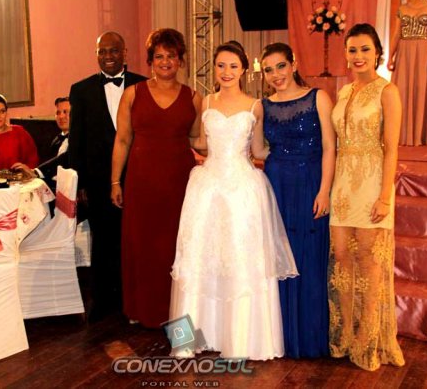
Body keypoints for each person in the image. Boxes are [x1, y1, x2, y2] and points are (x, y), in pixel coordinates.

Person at [170, 42, 298, 360]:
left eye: (233, 66)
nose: (226, 72)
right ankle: (189, 339)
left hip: (242, 191)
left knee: (241, 260)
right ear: (214, 68)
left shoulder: (256, 106)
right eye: (220, 65)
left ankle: (241, 340)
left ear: (243, 70)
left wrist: (293, 154)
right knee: (201, 260)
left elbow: (258, 150)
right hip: (208, 188)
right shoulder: (206, 101)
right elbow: (201, 142)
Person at [110, 28, 201, 328]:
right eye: (159, 56)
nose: (165, 62)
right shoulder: (133, 94)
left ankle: (175, 310)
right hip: (141, 181)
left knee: (175, 245)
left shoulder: (194, 98)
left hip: (180, 182)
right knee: (143, 244)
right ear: (150, 61)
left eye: (171, 56)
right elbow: (122, 140)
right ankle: (142, 308)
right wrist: (115, 181)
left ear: (181, 60)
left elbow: (197, 140)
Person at [329, 23, 405, 371]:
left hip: (373, 184)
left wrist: (385, 196)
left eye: (364, 49)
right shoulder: (344, 92)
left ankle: (367, 338)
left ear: (377, 53)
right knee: (342, 259)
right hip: (343, 185)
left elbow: (392, 148)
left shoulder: (387, 91)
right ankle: (345, 332)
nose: (358, 56)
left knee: (369, 264)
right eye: (352, 50)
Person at [261, 42, 336, 358]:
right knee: (280, 257)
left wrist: (324, 190)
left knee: (308, 258)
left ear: (293, 64)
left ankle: (308, 337)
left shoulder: (318, 97)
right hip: (277, 186)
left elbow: (330, 147)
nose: (275, 74)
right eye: (268, 70)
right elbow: (258, 150)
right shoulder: (263, 105)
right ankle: (281, 338)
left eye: (280, 66)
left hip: (310, 185)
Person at [68, 32, 146, 322]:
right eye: (103, 51)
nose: (108, 56)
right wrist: (79, 183)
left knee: (133, 238)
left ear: (125, 53)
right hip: (98, 178)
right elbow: (76, 140)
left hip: (136, 174)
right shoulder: (81, 90)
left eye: (114, 50)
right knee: (101, 239)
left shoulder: (143, 85)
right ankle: (101, 302)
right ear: (97, 54)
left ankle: (132, 299)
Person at [388, 0, 427, 146]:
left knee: (420, 89)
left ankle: (419, 134)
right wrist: (390, 56)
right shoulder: (402, 9)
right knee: (401, 91)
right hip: (404, 53)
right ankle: (402, 134)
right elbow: (396, 34)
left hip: (424, 53)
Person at [12, 97, 70, 191]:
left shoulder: (81, 139)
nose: (61, 116)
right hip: (52, 187)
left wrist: (35, 172)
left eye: (66, 112)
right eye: (58, 113)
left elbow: (64, 160)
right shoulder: (56, 140)